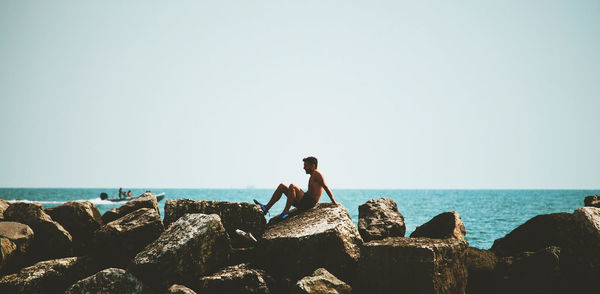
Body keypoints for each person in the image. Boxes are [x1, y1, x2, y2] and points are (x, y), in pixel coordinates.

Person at [254, 156, 339, 220]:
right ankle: (266, 208)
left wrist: (333, 201)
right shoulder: (312, 175)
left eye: (306, 165)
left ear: (313, 166)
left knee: (292, 186)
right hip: (304, 200)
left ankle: (285, 212)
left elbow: (326, 187)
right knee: (282, 186)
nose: (304, 168)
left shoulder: (317, 174)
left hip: (309, 202)